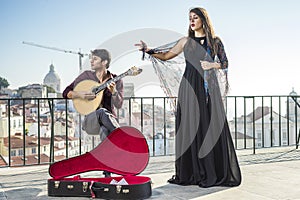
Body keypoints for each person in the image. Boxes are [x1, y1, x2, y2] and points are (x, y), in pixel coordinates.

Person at [135, 7, 241, 187]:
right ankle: (191, 172)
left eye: (195, 18)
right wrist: (149, 50)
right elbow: (167, 56)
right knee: (190, 127)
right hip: (189, 87)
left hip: (209, 89)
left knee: (209, 127)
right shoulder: (185, 41)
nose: (191, 21)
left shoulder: (215, 41)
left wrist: (212, 65)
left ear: (203, 20)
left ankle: (212, 172)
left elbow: (224, 63)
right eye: (189, 18)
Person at [62, 49, 124, 177]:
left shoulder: (116, 80)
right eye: (91, 58)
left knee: (105, 132)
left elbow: (119, 104)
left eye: (95, 59)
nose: (91, 61)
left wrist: (114, 92)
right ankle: (122, 139)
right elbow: (65, 92)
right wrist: (80, 94)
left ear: (104, 62)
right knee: (101, 112)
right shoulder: (86, 76)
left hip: (108, 122)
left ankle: (108, 171)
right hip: (90, 122)